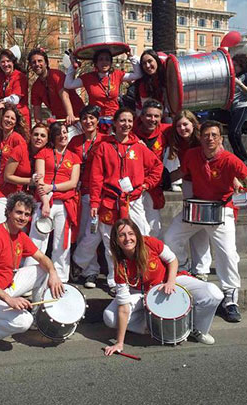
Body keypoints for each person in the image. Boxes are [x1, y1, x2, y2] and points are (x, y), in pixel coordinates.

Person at [163, 121, 247, 323]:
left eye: (214, 135)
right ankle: (182, 271)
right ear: (200, 138)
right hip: (197, 208)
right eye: (206, 135)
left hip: (221, 210)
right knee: (170, 238)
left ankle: (230, 299)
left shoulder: (230, 159)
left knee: (227, 253)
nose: (210, 138)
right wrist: (160, 181)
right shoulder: (191, 155)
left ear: (220, 138)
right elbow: (180, 173)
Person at [103, 219, 223, 355]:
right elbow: (123, 307)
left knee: (214, 294)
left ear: (136, 234)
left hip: (170, 280)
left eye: (131, 233)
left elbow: (172, 260)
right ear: (116, 240)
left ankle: (196, 329)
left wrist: (170, 282)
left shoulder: (150, 242)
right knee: (110, 317)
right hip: (141, 293)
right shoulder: (120, 265)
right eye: (121, 235)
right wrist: (119, 343)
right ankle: (153, 326)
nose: (127, 238)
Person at [0, 192, 65, 346]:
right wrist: (9, 300)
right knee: (23, 322)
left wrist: (53, 273)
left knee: (44, 269)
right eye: (19, 212)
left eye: (27, 214)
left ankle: (39, 313)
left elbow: (42, 258)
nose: (22, 218)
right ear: (8, 212)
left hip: (8, 286)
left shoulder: (20, 235)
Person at [90, 108, 163, 291]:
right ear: (114, 123)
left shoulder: (139, 147)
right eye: (122, 120)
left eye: (130, 121)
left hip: (134, 200)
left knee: (143, 235)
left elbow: (157, 167)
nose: (126, 125)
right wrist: (94, 202)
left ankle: (144, 274)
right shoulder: (104, 147)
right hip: (110, 201)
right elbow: (96, 177)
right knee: (111, 241)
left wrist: (146, 185)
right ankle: (115, 281)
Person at [25, 122, 80, 283]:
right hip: (44, 201)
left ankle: (61, 279)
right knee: (37, 241)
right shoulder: (44, 153)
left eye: (65, 132)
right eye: (59, 134)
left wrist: (53, 187)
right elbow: (39, 178)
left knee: (61, 244)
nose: (63, 136)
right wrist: (45, 202)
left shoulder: (74, 157)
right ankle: (30, 279)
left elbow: (72, 183)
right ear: (54, 137)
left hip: (64, 203)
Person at [167, 110, 213, 280]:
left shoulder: (203, 139)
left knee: (201, 226)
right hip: (188, 183)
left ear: (194, 124)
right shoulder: (178, 140)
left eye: (186, 124)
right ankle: (186, 264)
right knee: (194, 223)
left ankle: (201, 268)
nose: (182, 128)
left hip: (205, 184)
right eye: (179, 125)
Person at [68, 105, 106, 288]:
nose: (88, 122)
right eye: (84, 118)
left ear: (98, 120)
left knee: (95, 232)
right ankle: (90, 271)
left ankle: (78, 263)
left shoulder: (106, 141)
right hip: (78, 192)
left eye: (92, 118)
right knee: (85, 231)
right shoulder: (75, 141)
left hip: (99, 192)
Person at [64, 49, 142, 131]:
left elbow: (138, 74)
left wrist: (131, 56)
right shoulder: (88, 77)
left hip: (114, 121)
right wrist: (73, 66)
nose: (104, 62)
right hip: (95, 121)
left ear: (111, 62)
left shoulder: (117, 74)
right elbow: (68, 84)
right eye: (101, 59)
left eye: (107, 59)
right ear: (96, 62)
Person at [132, 99, 172, 237]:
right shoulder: (130, 131)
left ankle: (153, 256)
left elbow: (190, 129)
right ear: (141, 117)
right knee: (135, 225)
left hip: (153, 184)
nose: (152, 119)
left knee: (155, 226)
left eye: (156, 116)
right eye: (149, 115)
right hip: (133, 184)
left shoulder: (166, 130)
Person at [28, 48, 83, 125]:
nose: (37, 64)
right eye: (34, 62)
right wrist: (39, 126)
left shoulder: (56, 75)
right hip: (60, 120)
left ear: (46, 63)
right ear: (31, 66)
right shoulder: (35, 87)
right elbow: (37, 112)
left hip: (77, 116)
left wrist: (70, 115)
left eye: (40, 61)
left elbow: (65, 96)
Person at [3, 122, 49, 194]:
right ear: (31, 136)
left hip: (31, 193)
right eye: (36, 134)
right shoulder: (20, 150)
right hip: (9, 191)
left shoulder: (48, 154)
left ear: (47, 140)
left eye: (43, 136)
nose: (39, 138)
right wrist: (31, 181)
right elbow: (7, 176)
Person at [228, 53, 247, 163]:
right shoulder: (234, 76)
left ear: (242, 65)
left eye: (236, 65)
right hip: (233, 108)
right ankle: (240, 159)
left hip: (243, 106)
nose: (234, 67)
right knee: (232, 134)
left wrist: (239, 83)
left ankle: (245, 159)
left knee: (234, 132)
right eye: (232, 65)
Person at [134, 49, 166, 115]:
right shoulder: (143, 84)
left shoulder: (167, 75)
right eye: (144, 63)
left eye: (150, 61)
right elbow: (146, 108)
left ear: (157, 60)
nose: (147, 66)